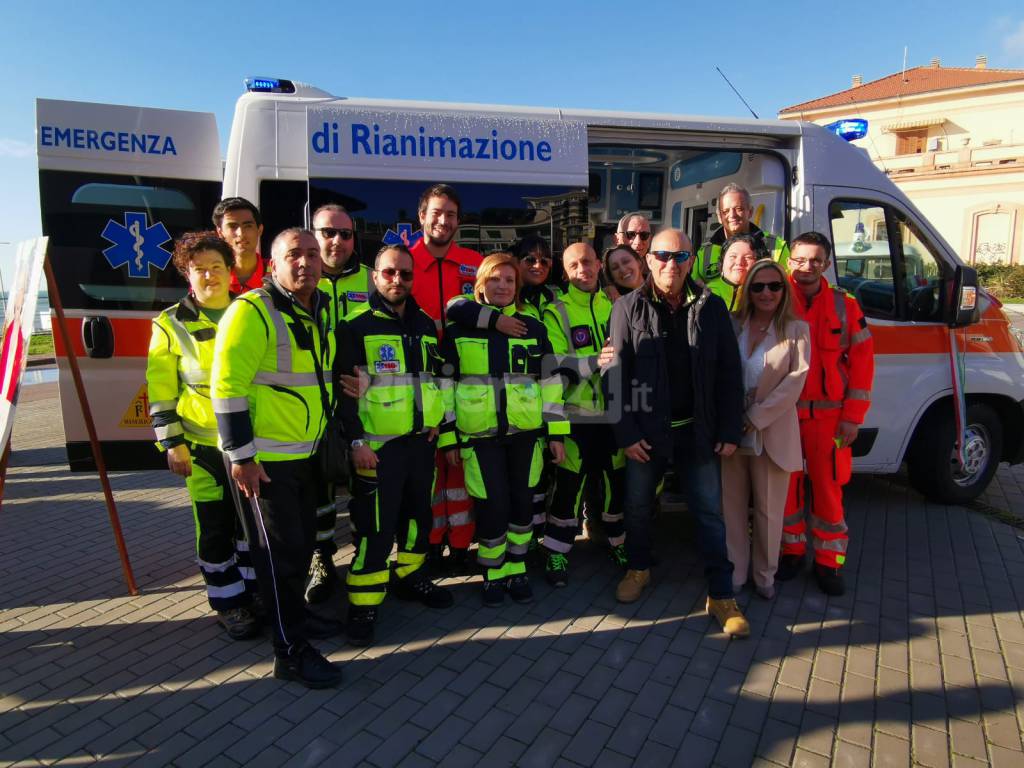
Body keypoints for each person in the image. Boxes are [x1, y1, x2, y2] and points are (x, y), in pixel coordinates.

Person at [212, 227, 343, 688]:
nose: (305, 262)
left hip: (304, 456)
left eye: (313, 253)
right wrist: (243, 458)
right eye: (294, 255)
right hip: (264, 464)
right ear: (273, 264)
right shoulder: (251, 311)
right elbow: (226, 389)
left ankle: (298, 624)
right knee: (278, 559)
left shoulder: (320, 306)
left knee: (302, 548)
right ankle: (289, 653)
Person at [604, 228, 750, 637]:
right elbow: (614, 376)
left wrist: (728, 428)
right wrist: (626, 433)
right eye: (663, 256)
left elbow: (728, 373)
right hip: (646, 434)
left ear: (691, 261)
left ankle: (721, 593)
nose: (672, 264)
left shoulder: (712, 307)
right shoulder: (627, 309)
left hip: (697, 432)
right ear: (648, 260)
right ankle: (639, 568)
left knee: (708, 513)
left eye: (680, 256)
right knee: (636, 506)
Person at [337, 244, 454, 646]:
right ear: (375, 276)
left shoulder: (423, 323)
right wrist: (356, 442)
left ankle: (411, 578)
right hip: (377, 449)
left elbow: (435, 377)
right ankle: (363, 604)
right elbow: (344, 395)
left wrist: (436, 420)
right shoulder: (354, 326)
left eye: (405, 274)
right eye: (389, 273)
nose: (397, 281)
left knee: (419, 518)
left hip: (420, 444)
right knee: (375, 529)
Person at [146, 232, 259, 640]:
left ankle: (252, 594)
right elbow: (160, 391)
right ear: (186, 275)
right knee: (214, 528)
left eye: (217, 267)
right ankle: (229, 604)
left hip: (248, 446)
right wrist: (172, 444)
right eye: (199, 270)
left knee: (250, 528)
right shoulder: (170, 323)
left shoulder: (250, 312)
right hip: (201, 449)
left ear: (231, 271)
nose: (209, 276)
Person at [439, 253, 567, 606]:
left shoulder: (534, 329)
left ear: (517, 287)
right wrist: (449, 435)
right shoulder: (459, 330)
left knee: (523, 505)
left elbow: (551, 383)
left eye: (509, 281)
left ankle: (517, 567)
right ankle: (493, 571)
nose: (502, 286)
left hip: (526, 437)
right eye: (495, 279)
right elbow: (444, 386)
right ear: (480, 283)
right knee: (493, 507)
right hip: (480, 439)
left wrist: (556, 433)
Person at [778, 232, 874, 596]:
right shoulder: (774, 294)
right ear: (790, 261)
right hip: (784, 416)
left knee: (828, 490)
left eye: (815, 261)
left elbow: (863, 362)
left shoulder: (843, 305)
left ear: (827, 264)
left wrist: (853, 416)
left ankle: (829, 562)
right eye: (800, 260)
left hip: (829, 418)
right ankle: (791, 552)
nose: (806, 267)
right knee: (786, 487)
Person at [721, 260, 810, 600]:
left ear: (783, 290)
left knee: (769, 512)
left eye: (774, 286)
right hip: (732, 430)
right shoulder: (733, 324)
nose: (766, 293)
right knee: (731, 507)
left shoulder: (796, 329)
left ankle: (764, 576)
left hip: (770, 431)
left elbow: (794, 382)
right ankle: (735, 572)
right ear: (748, 291)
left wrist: (756, 415)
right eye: (758, 287)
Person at [409, 184, 483, 572]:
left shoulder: (474, 262)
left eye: (451, 214)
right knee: (427, 470)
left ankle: (461, 544)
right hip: (418, 384)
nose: (443, 220)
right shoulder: (403, 263)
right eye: (436, 212)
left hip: (467, 382)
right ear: (421, 216)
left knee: (460, 466)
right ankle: (429, 544)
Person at [542, 243, 626, 585]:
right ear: (565, 272)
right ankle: (556, 553)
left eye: (587, 262)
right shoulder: (556, 312)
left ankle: (618, 543)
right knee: (568, 490)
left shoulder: (617, 304)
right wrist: (595, 361)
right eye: (574, 265)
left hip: (618, 414)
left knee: (614, 486)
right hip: (576, 417)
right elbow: (552, 369)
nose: (583, 269)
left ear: (597, 264)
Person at [305, 203, 372, 605]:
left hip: (365, 405)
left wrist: (375, 377)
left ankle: (367, 554)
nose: (337, 241)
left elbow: (393, 337)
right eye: (328, 232)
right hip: (314, 405)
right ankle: (322, 559)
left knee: (364, 487)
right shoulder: (296, 279)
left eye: (345, 234)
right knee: (321, 489)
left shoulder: (372, 278)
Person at [693, 183, 788, 289]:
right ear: (719, 217)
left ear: (750, 212)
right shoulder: (705, 252)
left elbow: (789, 290)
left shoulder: (775, 246)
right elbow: (693, 289)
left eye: (739, 209)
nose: (732, 215)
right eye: (725, 211)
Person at [212, 197, 266, 294]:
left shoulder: (278, 274)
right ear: (220, 233)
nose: (241, 233)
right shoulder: (211, 276)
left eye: (248, 226)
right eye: (233, 226)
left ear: (260, 230)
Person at [710, 234, 766, 310]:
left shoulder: (765, 296)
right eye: (733, 256)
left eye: (748, 257)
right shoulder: (705, 294)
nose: (739, 262)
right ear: (722, 261)